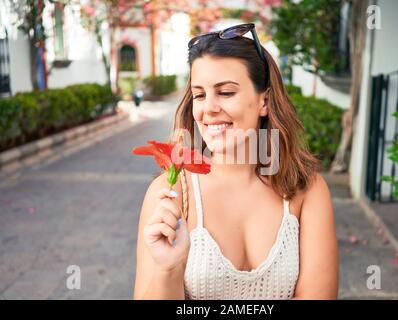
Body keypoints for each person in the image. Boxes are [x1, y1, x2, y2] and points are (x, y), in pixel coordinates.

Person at [134, 23, 338, 300]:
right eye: (200, 95)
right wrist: (167, 269)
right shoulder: (169, 195)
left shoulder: (307, 190)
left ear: (264, 101)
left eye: (226, 92)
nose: (209, 109)